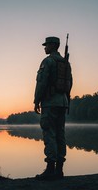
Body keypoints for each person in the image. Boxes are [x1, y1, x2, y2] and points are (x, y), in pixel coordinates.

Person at [34, 36, 72, 180]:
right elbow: (70, 84)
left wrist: (36, 100)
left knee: (49, 133)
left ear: (53, 46)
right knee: (60, 134)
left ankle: (50, 169)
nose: (45, 48)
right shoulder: (67, 63)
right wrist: (66, 100)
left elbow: (42, 83)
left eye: (46, 45)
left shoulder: (48, 61)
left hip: (50, 102)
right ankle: (59, 170)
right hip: (63, 102)